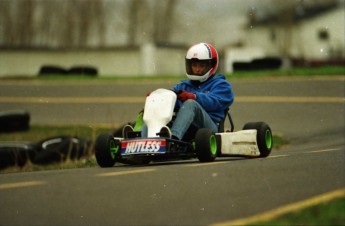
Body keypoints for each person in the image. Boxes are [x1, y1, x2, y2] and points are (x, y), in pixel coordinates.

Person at [123, 42, 234, 141]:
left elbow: (216, 102)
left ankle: (173, 139)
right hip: (186, 127)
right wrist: (156, 99)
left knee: (190, 104)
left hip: (208, 128)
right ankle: (143, 141)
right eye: (194, 65)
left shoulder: (221, 85)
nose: (198, 69)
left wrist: (194, 97)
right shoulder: (183, 86)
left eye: (202, 65)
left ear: (211, 66)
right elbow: (169, 99)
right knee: (154, 111)